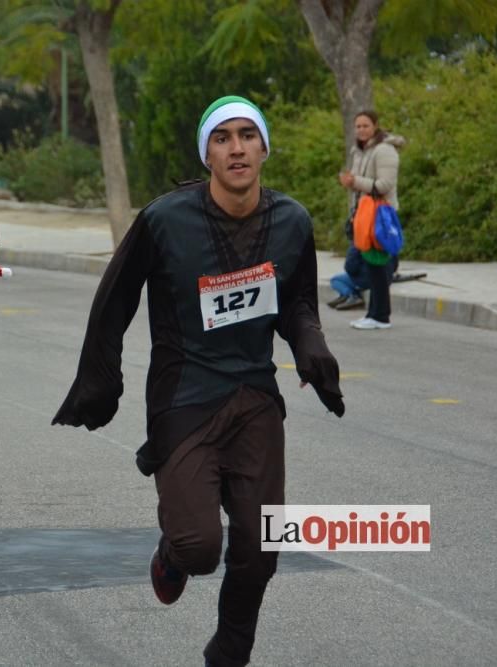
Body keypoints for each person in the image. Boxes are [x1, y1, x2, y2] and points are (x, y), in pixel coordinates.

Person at [53, 95, 344, 667]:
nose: (236, 147)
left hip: (257, 397)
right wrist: (99, 382)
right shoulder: (165, 219)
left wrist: (312, 348)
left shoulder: (292, 221)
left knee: (262, 547)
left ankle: (230, 651)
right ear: (207, 153)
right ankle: (172, 551)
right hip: (184, 398)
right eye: (222, 138)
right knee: (200, 547)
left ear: (263, 147)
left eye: (246, 135)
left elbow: (300, 303)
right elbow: (113, 301)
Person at [337, 110, 404, 330]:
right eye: (358, 126)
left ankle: (380, 316)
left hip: (381, 217)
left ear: (375, 126)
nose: (361, 130)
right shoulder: (359, 150)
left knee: (376, 265)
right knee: (368, 263)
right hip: (364, 216)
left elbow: (384, 185)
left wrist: (355, 181)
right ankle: (374, 313)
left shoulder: (384, 150)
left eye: (365, 126)